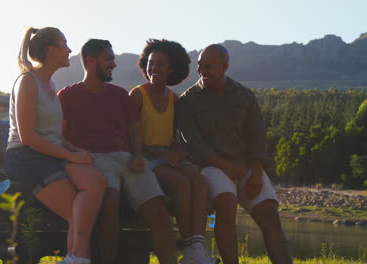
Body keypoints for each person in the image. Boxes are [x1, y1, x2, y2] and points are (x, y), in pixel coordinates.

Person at [58, 39, 176, 264]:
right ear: (91, 61)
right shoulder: (67, 95)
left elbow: (133, 132)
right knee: (110, 200)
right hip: (95, 159)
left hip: (128, 159)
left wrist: (139, 156)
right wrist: (77, 154)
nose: (114, 63)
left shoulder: (120, 95)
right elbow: (60, 137)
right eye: (109, 58)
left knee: (159, 211)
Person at [176, 44, 293, 264]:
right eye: (200, 66)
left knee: (270, 215)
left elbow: (257, 136)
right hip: (211, 167)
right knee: (226, 205)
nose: (202, 72)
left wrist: (257, 172)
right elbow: (195, 144)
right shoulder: (187, 101)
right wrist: (226, 167)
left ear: (225, 67)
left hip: (248, 166)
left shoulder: (245, 96)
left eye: (209, 67)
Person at [4, 27, 107, 264]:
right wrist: (70, 157)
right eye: (65, 44)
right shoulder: (27, 82)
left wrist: (75, 150)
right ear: (52, 50)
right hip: (25, 156)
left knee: (97, 181)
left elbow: (53, 134)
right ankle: (78, 258)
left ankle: (76, 258)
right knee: (77, 213)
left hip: (50, 153)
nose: (70, 50)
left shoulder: (51, 86)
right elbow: (28, 136)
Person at [129, 39, 218, 264]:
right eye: (151, 63)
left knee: (198, 181)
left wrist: (178, 150)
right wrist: (161, 155)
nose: (154, 68)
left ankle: (197, 246)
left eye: (160, 64)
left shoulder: (174, 99)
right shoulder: (137, 95)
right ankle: (190, 248)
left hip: (167, 157)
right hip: (146, 158)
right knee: (181, 183)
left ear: (172, 69)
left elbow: (174, 137)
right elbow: (131, 137)